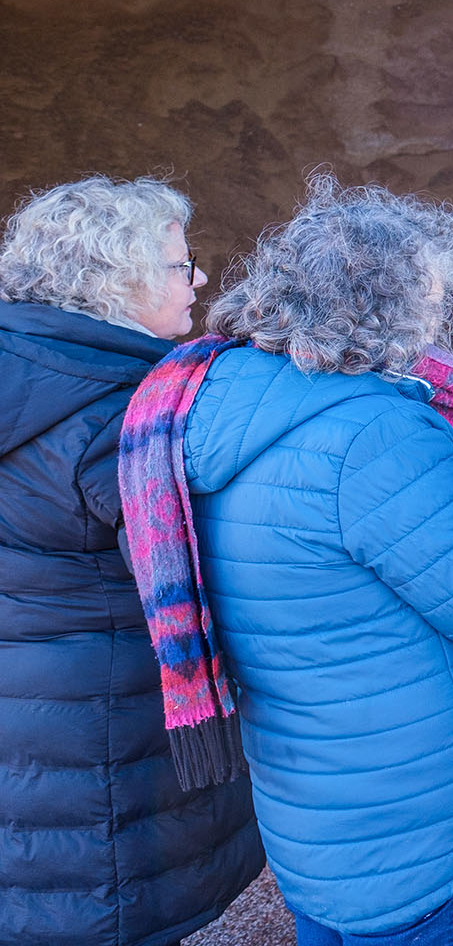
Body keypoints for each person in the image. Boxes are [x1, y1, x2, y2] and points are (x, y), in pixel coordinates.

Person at [117, 174, 453, 944]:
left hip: (315, 813)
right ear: (384, 308)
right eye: (432, 300)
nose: (440, 319)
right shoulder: (377, 430)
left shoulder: (208, 397)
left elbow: (335, 550)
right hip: (407, 820)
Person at [0, 177, 263, 946]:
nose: (201, 280)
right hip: (97, 757)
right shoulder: (124, 420)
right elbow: (229, 574)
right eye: (183, 265)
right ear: (119, 283)